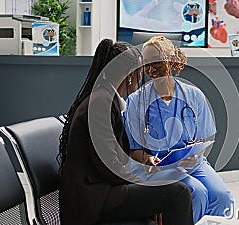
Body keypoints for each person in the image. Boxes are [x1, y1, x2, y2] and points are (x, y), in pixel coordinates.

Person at [58, 39, 194, 225]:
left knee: (168, 192)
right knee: (179, 192)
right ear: (130, 74)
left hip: (102, 190)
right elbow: (108, 165)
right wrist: (147, 185)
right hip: (94, 198)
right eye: (140, 70)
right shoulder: (100, 104)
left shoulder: (105, 98)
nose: (142, 77)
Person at [124, 36, 233, 223]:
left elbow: (203, 138)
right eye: (146, 65)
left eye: (156, 63)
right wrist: (148, 159)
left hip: (192, 163)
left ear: (170, 61)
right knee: (196, 193)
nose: (150, 70)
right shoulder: (136, 101)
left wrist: (195, 156)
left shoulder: (194, 95)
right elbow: (134, 149)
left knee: (222, 196)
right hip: (156, 168)